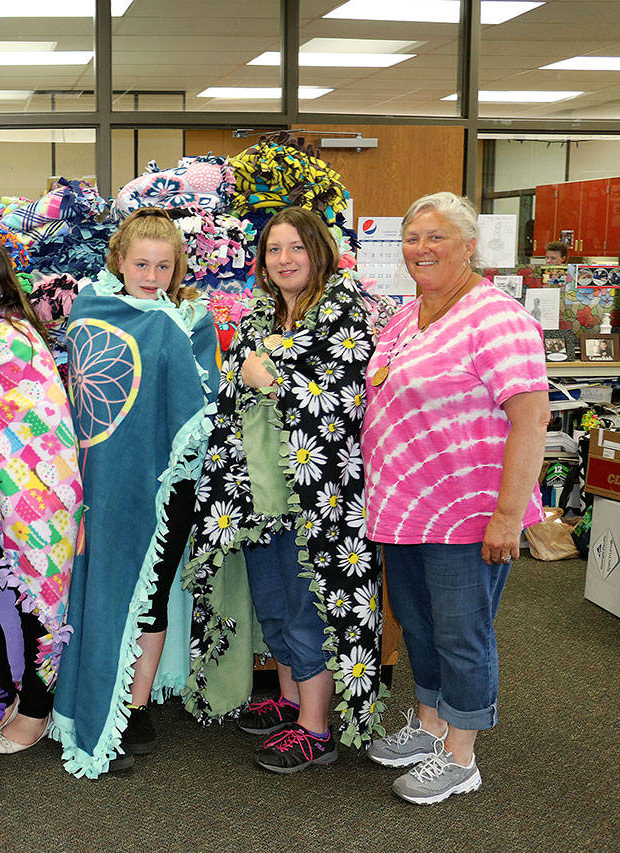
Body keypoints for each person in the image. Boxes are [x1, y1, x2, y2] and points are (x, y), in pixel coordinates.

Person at [184, 206, 387, 773]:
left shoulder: (348, 312)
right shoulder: (263, 313)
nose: (285, 259)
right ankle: (293, 696)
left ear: (319, 250)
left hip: (316, 494)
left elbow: (346, 402)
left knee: (309, 604)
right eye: (274, 250)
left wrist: (268, 379)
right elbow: (231, 389)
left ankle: (315, 727)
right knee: (272, 598)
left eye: (296, 247)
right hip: (256, 494)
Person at [363, 191, 550, 805]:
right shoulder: (407, 316)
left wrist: (506, 516)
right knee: (418, 626)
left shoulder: (496, 317)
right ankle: (429, 724)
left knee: (462, 632)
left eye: (436, 236)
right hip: (405, 506)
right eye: (413, 237)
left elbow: (531, 417)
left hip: (468, 511)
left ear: (470, 245)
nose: (421, 249)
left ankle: (461, 756)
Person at [50, 208, 219, 778]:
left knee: (149, 594)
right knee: (97, 589)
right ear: (118, 260)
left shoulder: (191, 321)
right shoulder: (89, 312)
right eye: (141, 263)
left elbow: (204, 400)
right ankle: (91, 692)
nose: (151, 276)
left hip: (164, 483)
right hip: (99, 480)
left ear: (178, 268)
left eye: (163, 266)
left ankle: (136, 704)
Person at [0, 236, 84, 754]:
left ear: (3, 290)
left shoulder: (9, 337)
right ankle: (8, 690)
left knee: (32, 599)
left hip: (31, 492)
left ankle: (36, 707)